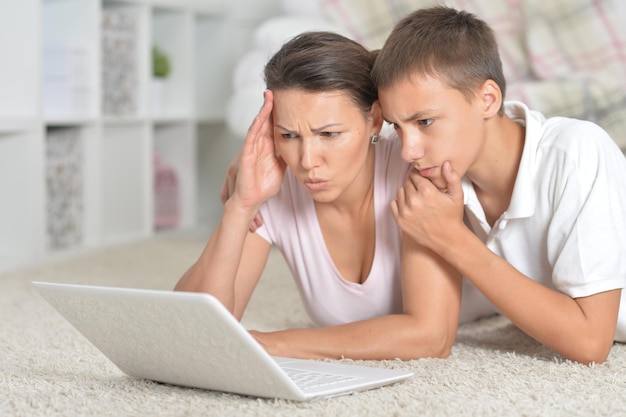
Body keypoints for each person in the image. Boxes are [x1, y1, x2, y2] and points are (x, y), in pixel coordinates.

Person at [175, 31, 494, 360]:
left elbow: (429, 337)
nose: (308, 160)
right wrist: (239, 207)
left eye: (329, 134)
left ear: (374, 119)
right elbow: (189, 330)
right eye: (289, 135)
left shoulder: (415, 169)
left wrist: (273, 344)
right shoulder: (274, 186)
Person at [371, 6, 626, 364]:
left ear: (487, 99)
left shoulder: (576, 152)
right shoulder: (443, 175)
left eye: (425, 121)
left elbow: (590, 343)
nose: (408, 150)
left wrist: (452, 240)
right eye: (398, 127)